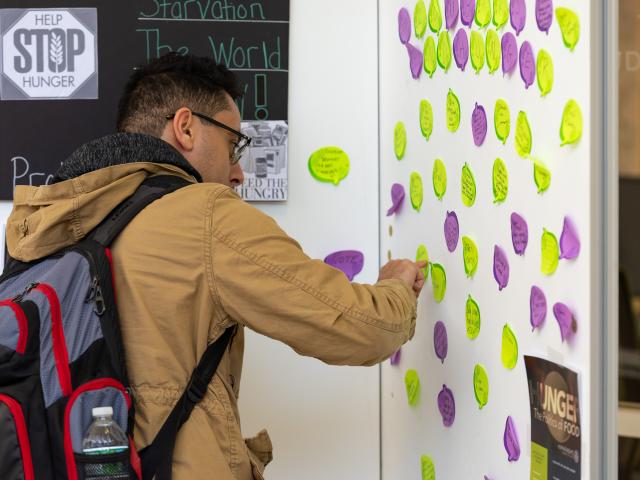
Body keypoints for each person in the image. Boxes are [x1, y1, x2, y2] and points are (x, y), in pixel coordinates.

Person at [6, 53, 425, 479]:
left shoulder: (45, 224)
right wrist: (395, 287)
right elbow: (364, 328)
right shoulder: (204, 215)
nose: (238, 172)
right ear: (185, 127)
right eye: (233, 144)